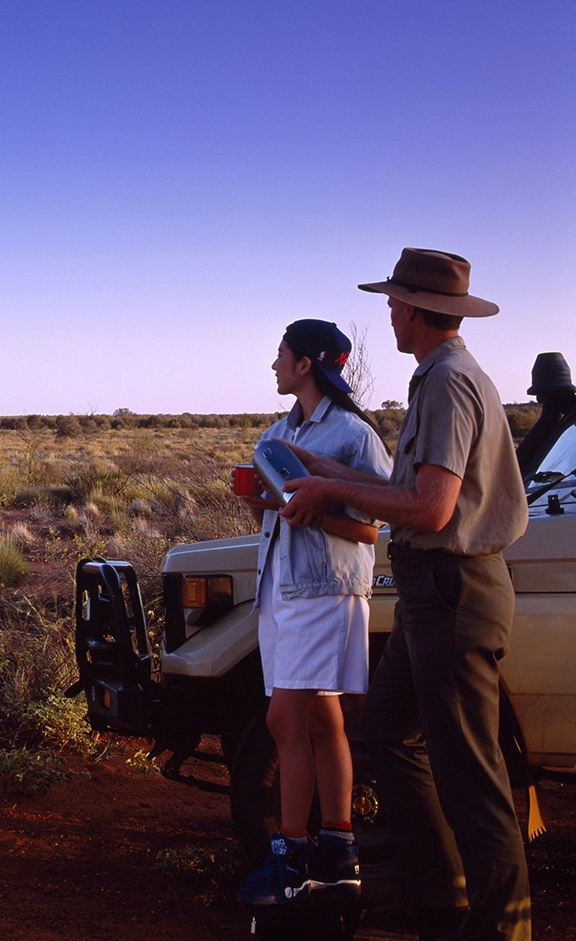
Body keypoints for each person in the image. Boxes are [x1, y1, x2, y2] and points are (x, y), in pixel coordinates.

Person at [279, 248, 530, 941]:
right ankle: (437, 895)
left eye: (393, 300)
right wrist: (316, 466)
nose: (387, 310)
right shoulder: (437, 376)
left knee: (473, 779)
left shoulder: (448, 382)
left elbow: (432, 506)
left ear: (416, 308)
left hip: (453, 594)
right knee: (391, 729)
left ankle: (502, 928)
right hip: (432, 596)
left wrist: (331, 489)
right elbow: (407, 491)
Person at [235, 320, 392, 907]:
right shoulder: (278, 433)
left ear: (306, 364)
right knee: (323, 721)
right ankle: (338, 849)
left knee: (283, 722)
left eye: (281, 355)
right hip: (281, 586)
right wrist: (262, 506)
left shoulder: (353, 436)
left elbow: (372, 529)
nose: (274, 365)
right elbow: (277, 519)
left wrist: (315, 514)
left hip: (326, 593)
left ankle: (291, 857)